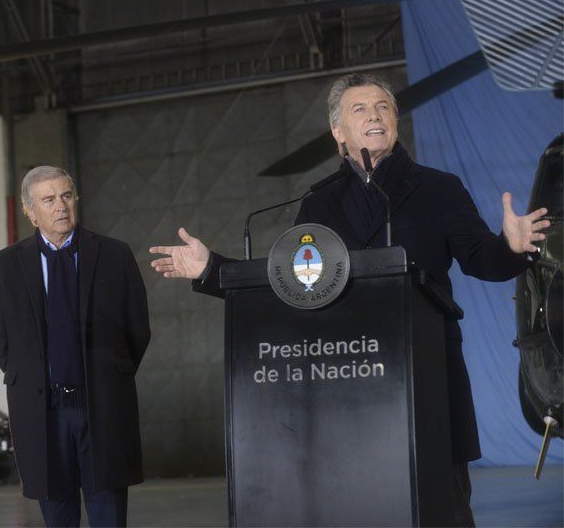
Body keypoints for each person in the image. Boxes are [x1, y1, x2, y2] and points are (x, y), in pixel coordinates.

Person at [149, 73, 549, 526]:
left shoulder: (439, 188)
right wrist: (212, 269)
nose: (374, 116)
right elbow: (290, 286)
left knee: (445, 511)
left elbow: (482, 260)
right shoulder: (319, 202)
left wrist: (512, 247)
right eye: (359, 109)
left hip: (427, 379)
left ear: (396, 120)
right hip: (349, 386)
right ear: (338, 131)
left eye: (383, 107)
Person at [0, 166, 150, 527]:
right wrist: (33, 378)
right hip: (43, 412)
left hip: (102, 406)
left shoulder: (115, 255)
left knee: (109, 515)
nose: (60, 206)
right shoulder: (3, 267)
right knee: (58, 518)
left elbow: (138, 330)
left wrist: (108, 376)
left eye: (66, 196)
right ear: (30, 211)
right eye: (48, 199)